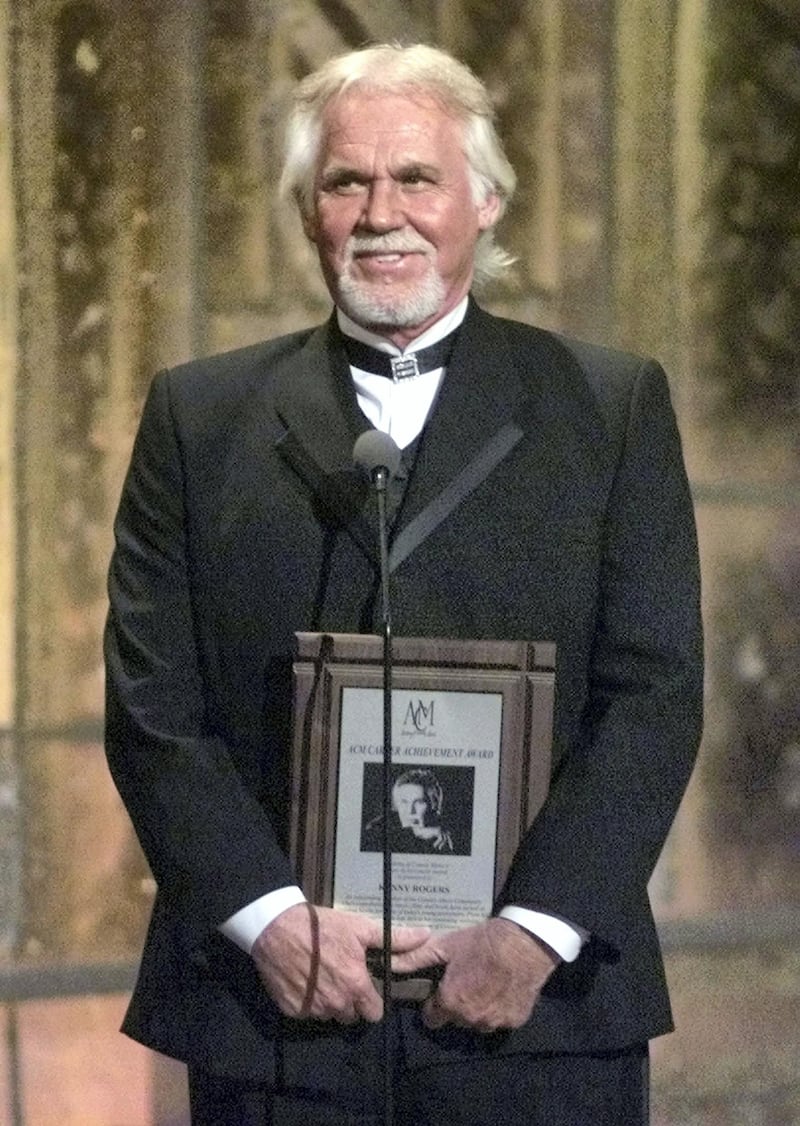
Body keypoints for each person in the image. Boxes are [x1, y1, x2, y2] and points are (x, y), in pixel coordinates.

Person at [104, 42, 703, 1125]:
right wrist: (271, 919)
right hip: (278, 1021)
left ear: (484, 203)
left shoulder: (608, 409)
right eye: (346, 181)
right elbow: (153, 707)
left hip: (537, 1018)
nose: (381, 211)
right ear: (307, 214)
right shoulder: (199, 417)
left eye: (415, 178)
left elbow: (653, 698)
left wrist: (534, 930)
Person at [362, 768, 460, 854]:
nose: (410, 811)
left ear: (434, 805)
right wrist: (417, 832)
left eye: (419, 802)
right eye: (404, 802)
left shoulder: (449, 833)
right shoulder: (379, 828)